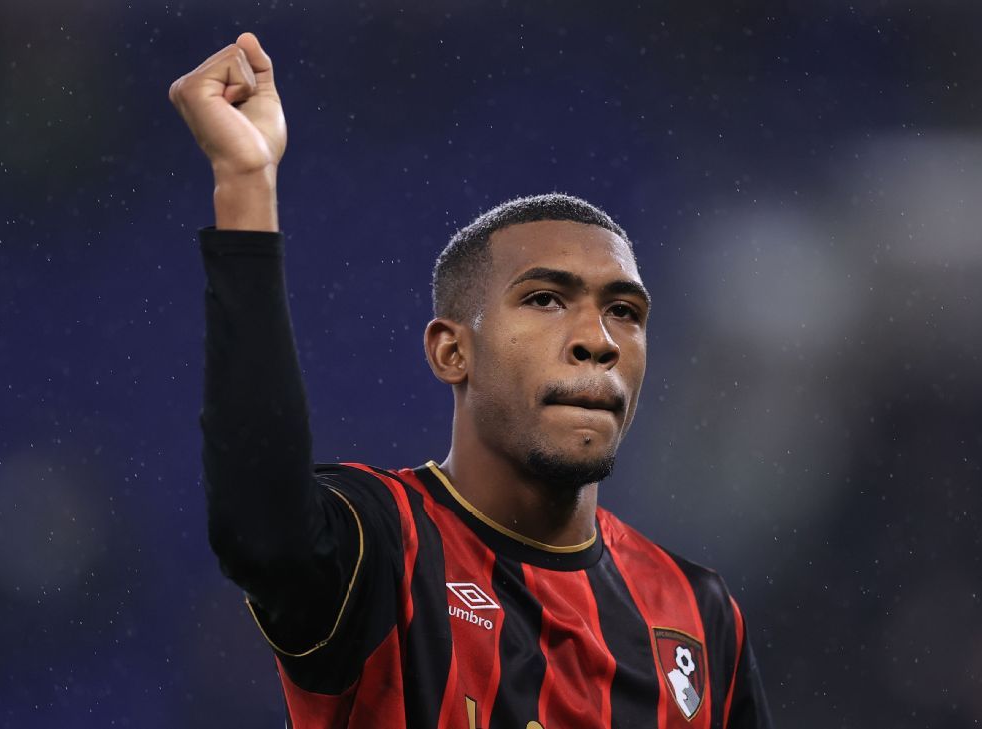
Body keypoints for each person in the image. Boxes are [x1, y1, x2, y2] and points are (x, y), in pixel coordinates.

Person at [170, 31, 774, 729]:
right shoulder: (385, 548)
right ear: (452, 352)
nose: (599, 340)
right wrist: (246, 181)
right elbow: (260, 528)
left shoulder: (699, 615)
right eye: (545, 299)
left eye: (624, 312)